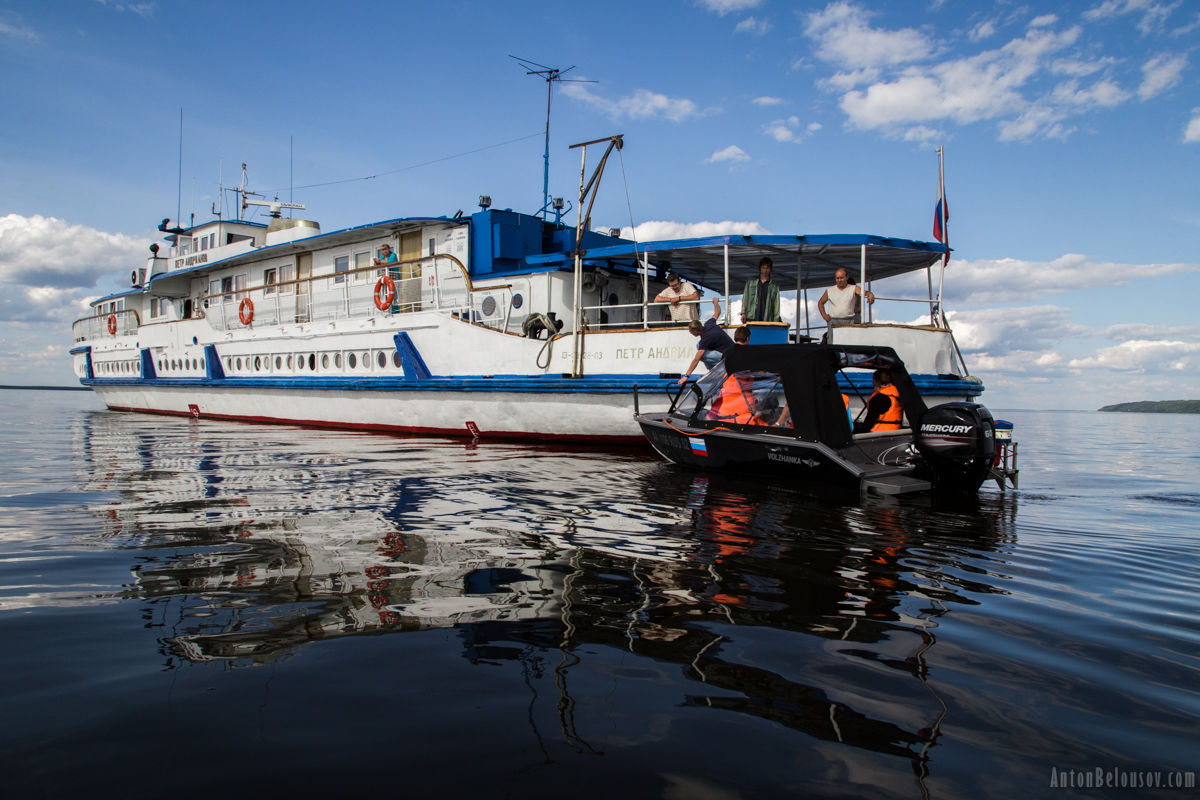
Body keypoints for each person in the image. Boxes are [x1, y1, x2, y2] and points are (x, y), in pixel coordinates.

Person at [679, 298, 734, 385]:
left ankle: (718, 373)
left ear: (696, 331)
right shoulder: (709, 324)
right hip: (732, 352)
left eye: (691, 332)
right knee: (699, 346)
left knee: (701, 354)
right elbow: (717, 312)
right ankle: (715, 371)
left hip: (730, 358)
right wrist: (715, 302)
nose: (690, 333)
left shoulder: (705, 339)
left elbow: (696, 359)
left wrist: (686, 376)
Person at [818, 268, 874, 341]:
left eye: (841, 278)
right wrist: (824, 315)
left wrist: (870, 294)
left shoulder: (853, 288)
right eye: (837, 278)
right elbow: (820, 303)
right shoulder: (830, 290)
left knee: (849, 341)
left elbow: (865, 293)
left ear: (847, 277)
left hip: (849, 320)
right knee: (833, 342)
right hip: (834, 321)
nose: (839, 280)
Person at [855, 369, 903, 433]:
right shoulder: (898, 395)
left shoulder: (879, 398)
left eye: (873, 380)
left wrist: (862, 432)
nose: (873, 382)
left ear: (878, 381)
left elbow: (870, 420)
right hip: (896, 431)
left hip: (879, 434)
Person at [740, 257, 781, 323]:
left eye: (767, 268)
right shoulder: (751, 281)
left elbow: (776, 303)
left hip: (767, 318)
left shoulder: (774, 284)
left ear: (770, 269)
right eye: (763, 268)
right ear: (760, 268)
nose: (765, 270)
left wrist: (776, 319)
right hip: (751, 316)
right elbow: (745, 297)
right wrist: (743, 313)